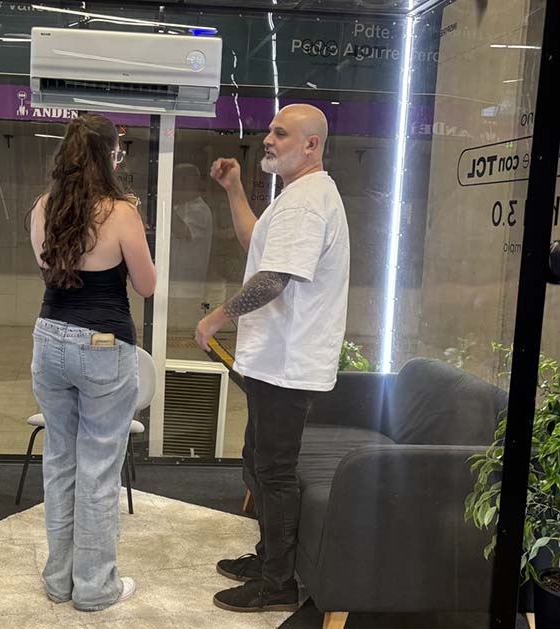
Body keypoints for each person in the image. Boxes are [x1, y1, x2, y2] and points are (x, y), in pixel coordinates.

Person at [194, 104, 350, 612]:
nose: (268, 139)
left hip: (287, 364)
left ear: (311, 145)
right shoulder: (296, 196)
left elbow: (273, 279)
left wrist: (217, 318)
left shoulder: (307, 202)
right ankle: (268, 560)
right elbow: (256, 244)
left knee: (274, 470)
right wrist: (234, 189)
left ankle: (278, 582)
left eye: (280, 133)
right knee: (259, 462)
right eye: (269, 131)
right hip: (275, 361)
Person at [28, 113, 156, 612]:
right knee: (99, 470)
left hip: (49, 339)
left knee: (60, 462)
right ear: (111, 156)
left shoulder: (42, 208)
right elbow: (146, 285)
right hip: (103, 344)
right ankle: (95, 587)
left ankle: (59, 581)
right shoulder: (121, 213)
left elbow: (52, 273)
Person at [170, 163, 213, 299]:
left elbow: (182, 231)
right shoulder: (180, 207)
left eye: (176, 183)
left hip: (188, 287)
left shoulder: (200, 210)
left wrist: (162, 203)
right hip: (173, 284)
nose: (174, 188)